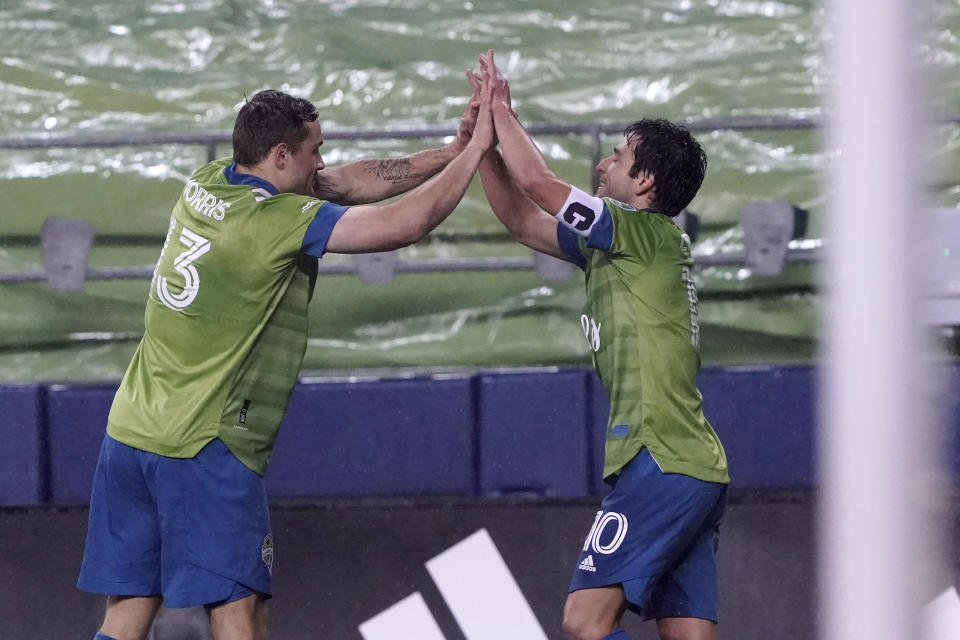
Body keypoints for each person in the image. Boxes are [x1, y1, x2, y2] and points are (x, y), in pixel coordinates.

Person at [77, 79, 495, 640]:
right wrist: (475, 155)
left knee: (127, 615)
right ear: (280, 155)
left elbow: (345, 182)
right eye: (314, 150)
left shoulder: (209, 183)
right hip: (204, 444)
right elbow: (404, 225)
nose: (322, 162)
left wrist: (449, 149)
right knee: (239, 613)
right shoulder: (274, 222)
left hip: (129, 435)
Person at [472, 51, 729, 640]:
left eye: (618, 155)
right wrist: (485, 149)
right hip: (692, 467)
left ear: (645, 182)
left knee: (585, 621)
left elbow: (538, 185)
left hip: (659, 460)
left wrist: (500, 112)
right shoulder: (618, 245)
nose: (602, 162)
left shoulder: (639, 231)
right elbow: (521, 218)